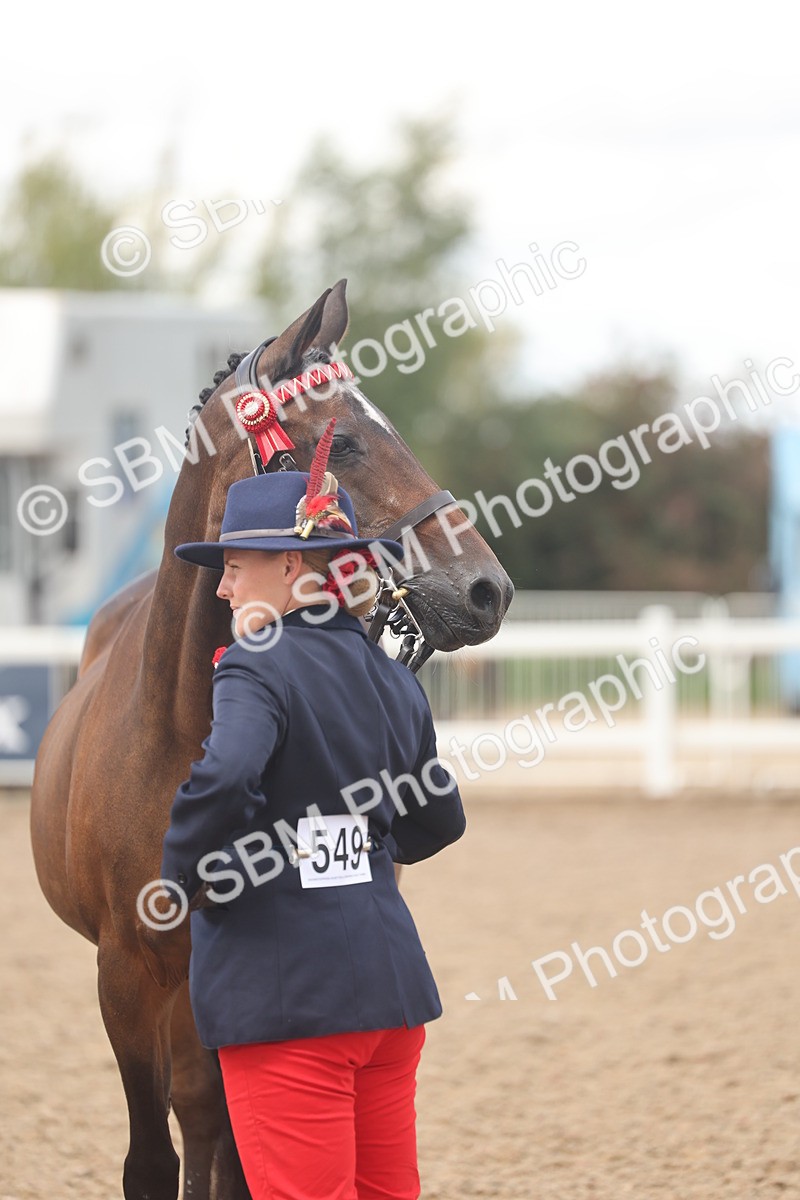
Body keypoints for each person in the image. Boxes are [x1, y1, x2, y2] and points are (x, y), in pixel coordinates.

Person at [159, 422, 466, 1200]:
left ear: (291, 565)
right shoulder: (392, 677)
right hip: (390, 995)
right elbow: (440, 820)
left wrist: (181, 872)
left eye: (233, 567)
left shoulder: (255, 662)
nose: (223, 588)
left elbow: (226, 773)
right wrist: (357, 846)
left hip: (286, 999)